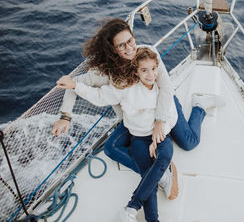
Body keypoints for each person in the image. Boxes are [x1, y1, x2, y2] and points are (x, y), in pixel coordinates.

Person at [52, 18, 224, 200]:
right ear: (113, 49)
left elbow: (166, 88)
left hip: (162, 107)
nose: (129, 48)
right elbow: (73, 84)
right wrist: (65, 116)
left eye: (130, 41)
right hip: (135, 118)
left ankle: (199, 106)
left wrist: (159, 122)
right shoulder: (105, 72)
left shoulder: (148, 53)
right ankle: (158, 172)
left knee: (189, 143)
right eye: (121, 45)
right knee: (111, 148)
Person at [58, 47, 177, 222]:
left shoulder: (162, 87)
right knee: (147, 171)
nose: (150, 74)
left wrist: (156, 137)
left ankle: (131, 207)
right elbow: (99, 96)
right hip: (138, 137)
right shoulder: (125, 88)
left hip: (159, 134)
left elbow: (171, 115)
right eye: (144, 70)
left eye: (153, 69)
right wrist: (75, 85)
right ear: (136, 72)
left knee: (165, 155)